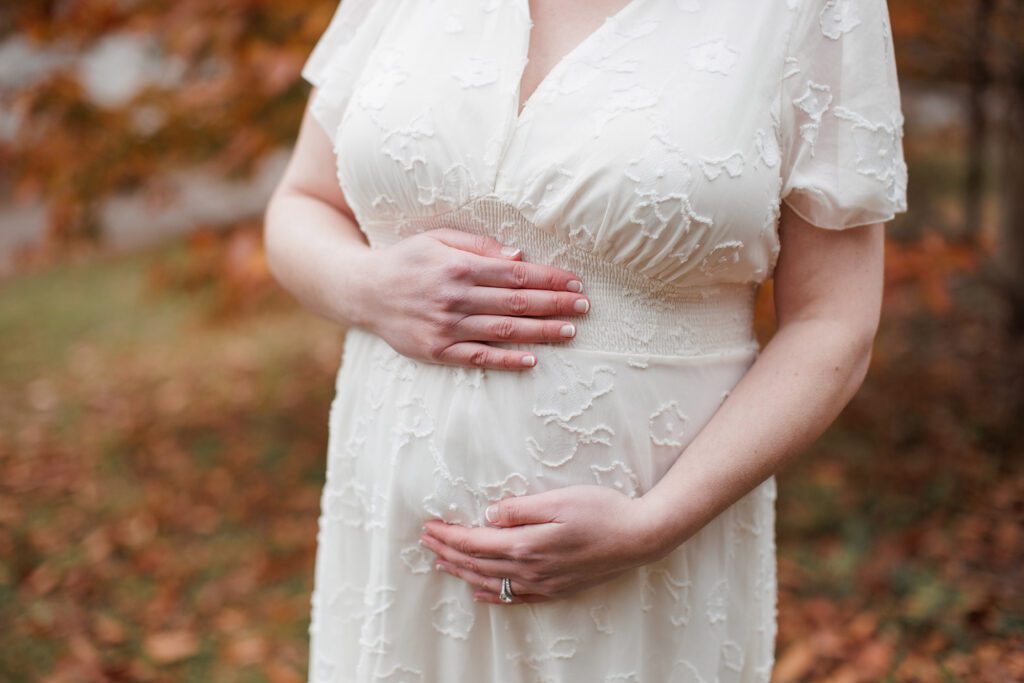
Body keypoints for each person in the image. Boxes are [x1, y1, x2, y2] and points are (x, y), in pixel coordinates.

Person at [263, 0, 908, 680]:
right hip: (395, 542)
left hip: (644, 558)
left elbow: (833, 322)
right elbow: (301, 201)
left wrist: (653, 525)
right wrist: (367, 286)